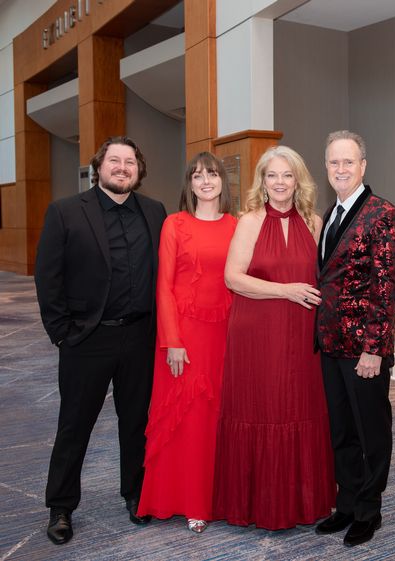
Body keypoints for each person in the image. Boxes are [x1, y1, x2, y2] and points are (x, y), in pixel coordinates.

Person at [34, 136, 167, 545]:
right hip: (87, 339)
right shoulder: (66, 211)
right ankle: (60, 506)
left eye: (130, 161)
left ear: (139, 170)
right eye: (114, 161)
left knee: (136, 422)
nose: (122, 167)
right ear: (99, 167)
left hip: (140, 337)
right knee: (75, 425)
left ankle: (134, 493)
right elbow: (48, 276)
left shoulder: (155, 212)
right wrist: (63, 334)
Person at [212, 145, 335, 529]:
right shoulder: (248, 221)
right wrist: (285, 290)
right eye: (272, 175)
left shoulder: (315, 222)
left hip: (301, 334)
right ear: (261, 182)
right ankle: (254, 504)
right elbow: (233, 278)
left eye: (287, 175)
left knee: (300, 406)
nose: (280, 182)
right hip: (257, 332)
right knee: (262, 406)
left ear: (297, 180)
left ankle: (303, 501)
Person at [136, 152, 237, 533]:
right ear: (189, 184)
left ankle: (209, 499)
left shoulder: (235, 225)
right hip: (182, 338)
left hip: (223, 335)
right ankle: (179, 500)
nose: (206, 181)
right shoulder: (174, 225)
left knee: (214, 420)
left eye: (212, 174)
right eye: (198, 176)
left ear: (222, 182)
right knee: (185, 419)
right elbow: (163, 287)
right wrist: (172, 341)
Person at [314, 130, 395, 547]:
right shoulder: (328, 215)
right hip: (330, 345)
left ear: (363, 166)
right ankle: (347, 504)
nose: (341, 169)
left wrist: (374, 348)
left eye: (348, 162)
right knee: (342, 432)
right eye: (334, 162)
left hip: (364, 350)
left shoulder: (383, 213)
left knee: (371, 432)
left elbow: (386, 288)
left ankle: (369, 510)